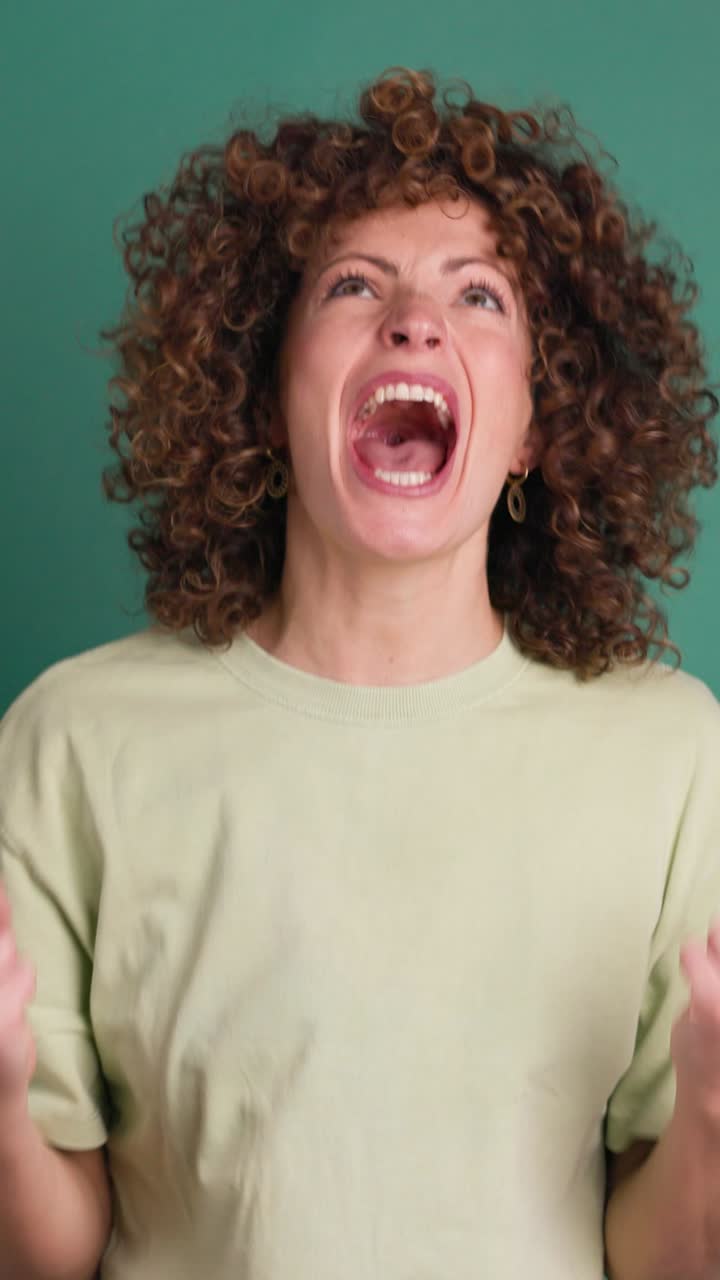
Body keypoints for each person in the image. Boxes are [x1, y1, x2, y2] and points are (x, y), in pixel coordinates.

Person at [0, 66, 719, 1280]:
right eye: (353, 285)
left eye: (478, 294)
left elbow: (662, 1257)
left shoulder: (670, 752)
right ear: (266, 399)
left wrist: (708, 1116)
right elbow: (46, 1250)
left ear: (538, 425)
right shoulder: (76, 735)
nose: (415, 321)